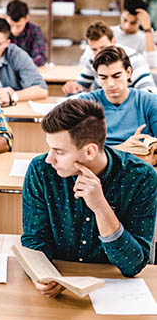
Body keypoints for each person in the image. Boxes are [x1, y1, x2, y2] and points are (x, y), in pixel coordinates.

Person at [22, 99, 157, 298]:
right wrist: (44, 276)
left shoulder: (141, 177)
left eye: (59, 151)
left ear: (90, 151)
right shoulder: (41, 170)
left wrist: (101, 208)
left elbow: (133, 265)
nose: (50, 159)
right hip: (58, 291)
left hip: (115, 291)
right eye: (50, 148)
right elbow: (34, 242)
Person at [78, 46, 157, 165]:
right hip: (99, 168)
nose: (110, 84)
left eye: (116, 76)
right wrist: (122, 149)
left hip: (140, 167)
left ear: (128, 72)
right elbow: (78, 151)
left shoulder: (149, 101)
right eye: (103, 78)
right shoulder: (86, 103)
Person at [62, 21, 156, 95]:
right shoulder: (91, 57)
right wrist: (74, 88)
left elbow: (150, 93)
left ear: (113, 41)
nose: (99, 53)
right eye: (94, 49)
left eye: (103, 47)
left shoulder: (135, 60)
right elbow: (82, 85)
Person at [0, 18, 48, 106]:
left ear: (7, 43)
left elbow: (42, 90)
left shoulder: (17, 55)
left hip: (8, 113)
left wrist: (12, 96)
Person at [111, 0, 157, 67]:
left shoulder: (145, 38)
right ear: (121, 14)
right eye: (125, 20)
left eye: (133, 22)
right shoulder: (109, 32)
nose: (127, 26)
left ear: (140, 22)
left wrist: (148, 30)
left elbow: (151, 64)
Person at [6, 0, 47, 66]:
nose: (14, 30)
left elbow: (40, 57)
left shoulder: (35, 30)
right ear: (6, 17)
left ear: (27, 18)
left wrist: (23, 66)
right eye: (11, 25)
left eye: (18, 26)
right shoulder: (2, 30)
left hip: (27, 71)